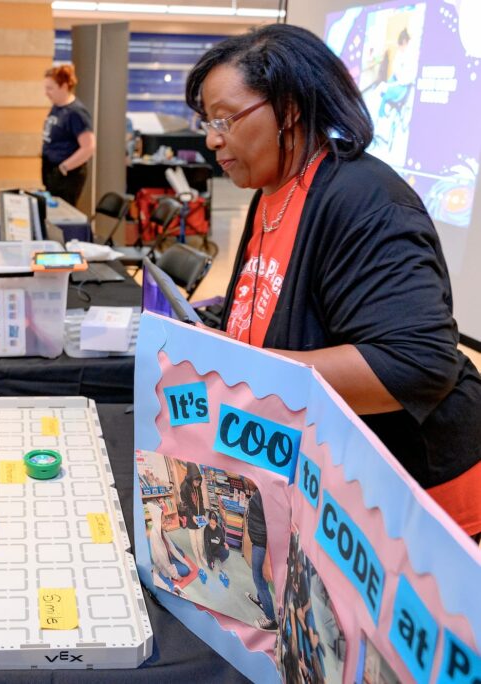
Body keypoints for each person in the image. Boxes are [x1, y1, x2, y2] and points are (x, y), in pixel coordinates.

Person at [186, 24, 481, 538]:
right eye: (208, 122)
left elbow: (416, 363)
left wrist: (243, 370)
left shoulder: (364, 200)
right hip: (334, 481)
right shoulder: (271, 192)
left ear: (290, 109)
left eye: (225, 119)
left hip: (419, 504)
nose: (213, 139)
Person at [41, 64, 95, 207]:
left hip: (66, 176)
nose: (46, 92)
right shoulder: (57, 107)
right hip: (51, 171)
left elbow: (89, 147)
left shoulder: (76, 112)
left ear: (64, 86)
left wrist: (63, 168)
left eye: (50, 88)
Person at [244, 490, 276, 630]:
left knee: (259, 580)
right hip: (258, 541)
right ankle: (261, 600)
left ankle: (270, 619)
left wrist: (267, 562)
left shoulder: (270, 494)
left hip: (262, 545)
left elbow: (273, 528)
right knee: (259, 580)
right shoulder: (263, 489)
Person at [177, 462, 207, 565]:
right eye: (196, 482)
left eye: (199, 482)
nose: (198, 484)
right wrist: (192, 516)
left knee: (200, 540)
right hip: (191, 518)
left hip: (199, 517)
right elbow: (185, 505)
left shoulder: (197, 485)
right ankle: (197, 559)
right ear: (191, 478)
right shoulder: (184, 487)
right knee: (194, 541)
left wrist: (203, 513)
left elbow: (201, 500)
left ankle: (201, 556)